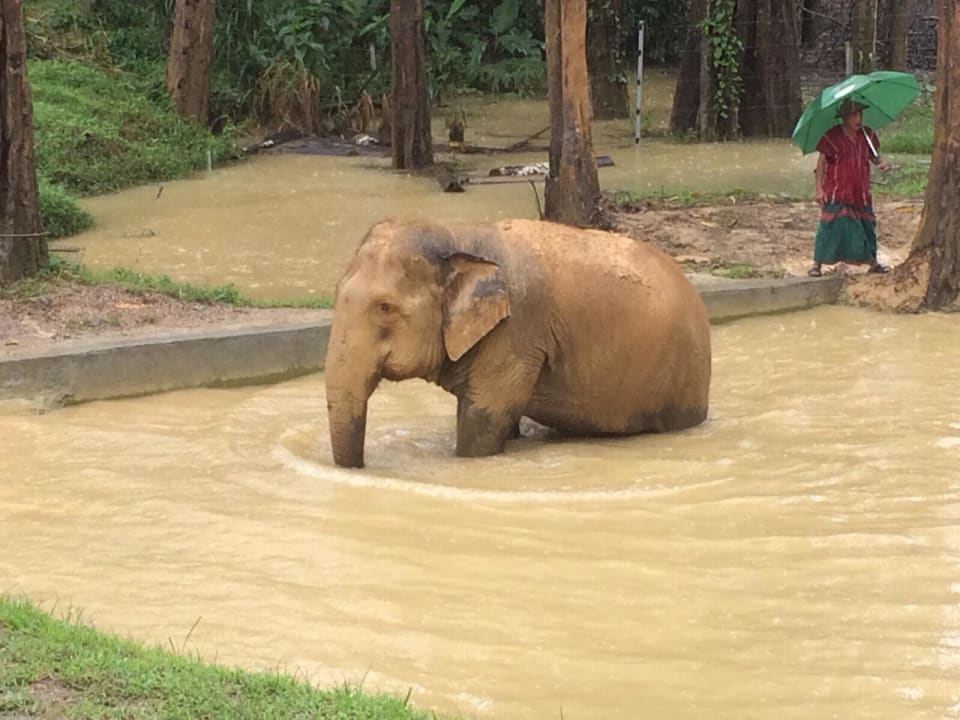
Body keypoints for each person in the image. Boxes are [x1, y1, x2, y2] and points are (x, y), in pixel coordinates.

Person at [808, 99, 891, 277]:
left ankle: (873, 262)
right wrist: (819, 189)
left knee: (866, 225)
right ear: (844, 118)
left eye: (860, 115)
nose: (858, 119)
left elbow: (874, 157)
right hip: (837, 189)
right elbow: (821, 164)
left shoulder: (867, 135)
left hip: (860, 191)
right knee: (829, 226)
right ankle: (817, 264)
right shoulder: (831, 137)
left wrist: (881, 163)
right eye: (854, 115)